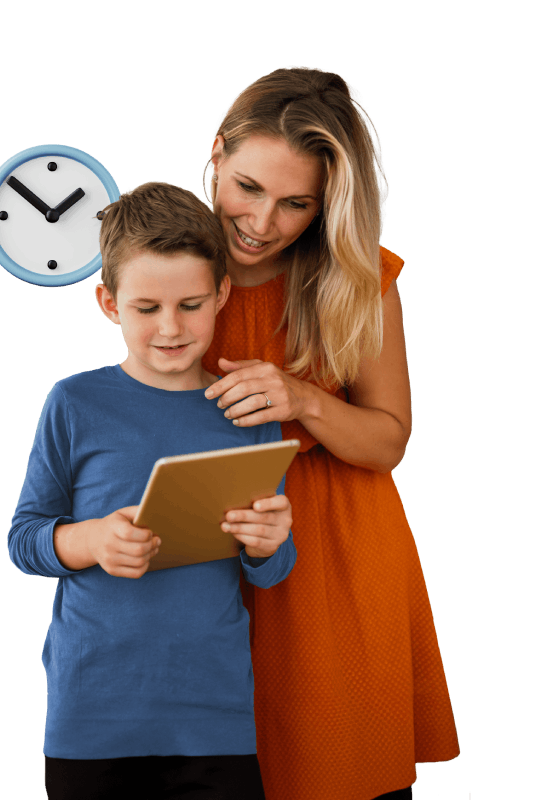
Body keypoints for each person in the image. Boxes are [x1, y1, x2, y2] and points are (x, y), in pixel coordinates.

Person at [199, 66, 460, 800]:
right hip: (203, 542)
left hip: (333, 552)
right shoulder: (157, 260)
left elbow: (388, 441)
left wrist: (302, 401)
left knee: (327, 767)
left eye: (295, 204)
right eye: (247, 187)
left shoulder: (356, 278)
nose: (260, 222)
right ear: (217, 154)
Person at [6, 181, 298, 800]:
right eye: (146, 309)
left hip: (214, 717)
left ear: (221, 293)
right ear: (109, 303)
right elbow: (23, 539)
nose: (171, 328)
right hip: (92, 715)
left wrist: (271, 543)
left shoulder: (246, 408)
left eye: (191, 304)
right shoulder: (75, 402)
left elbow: (271, 574)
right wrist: (89, 540)